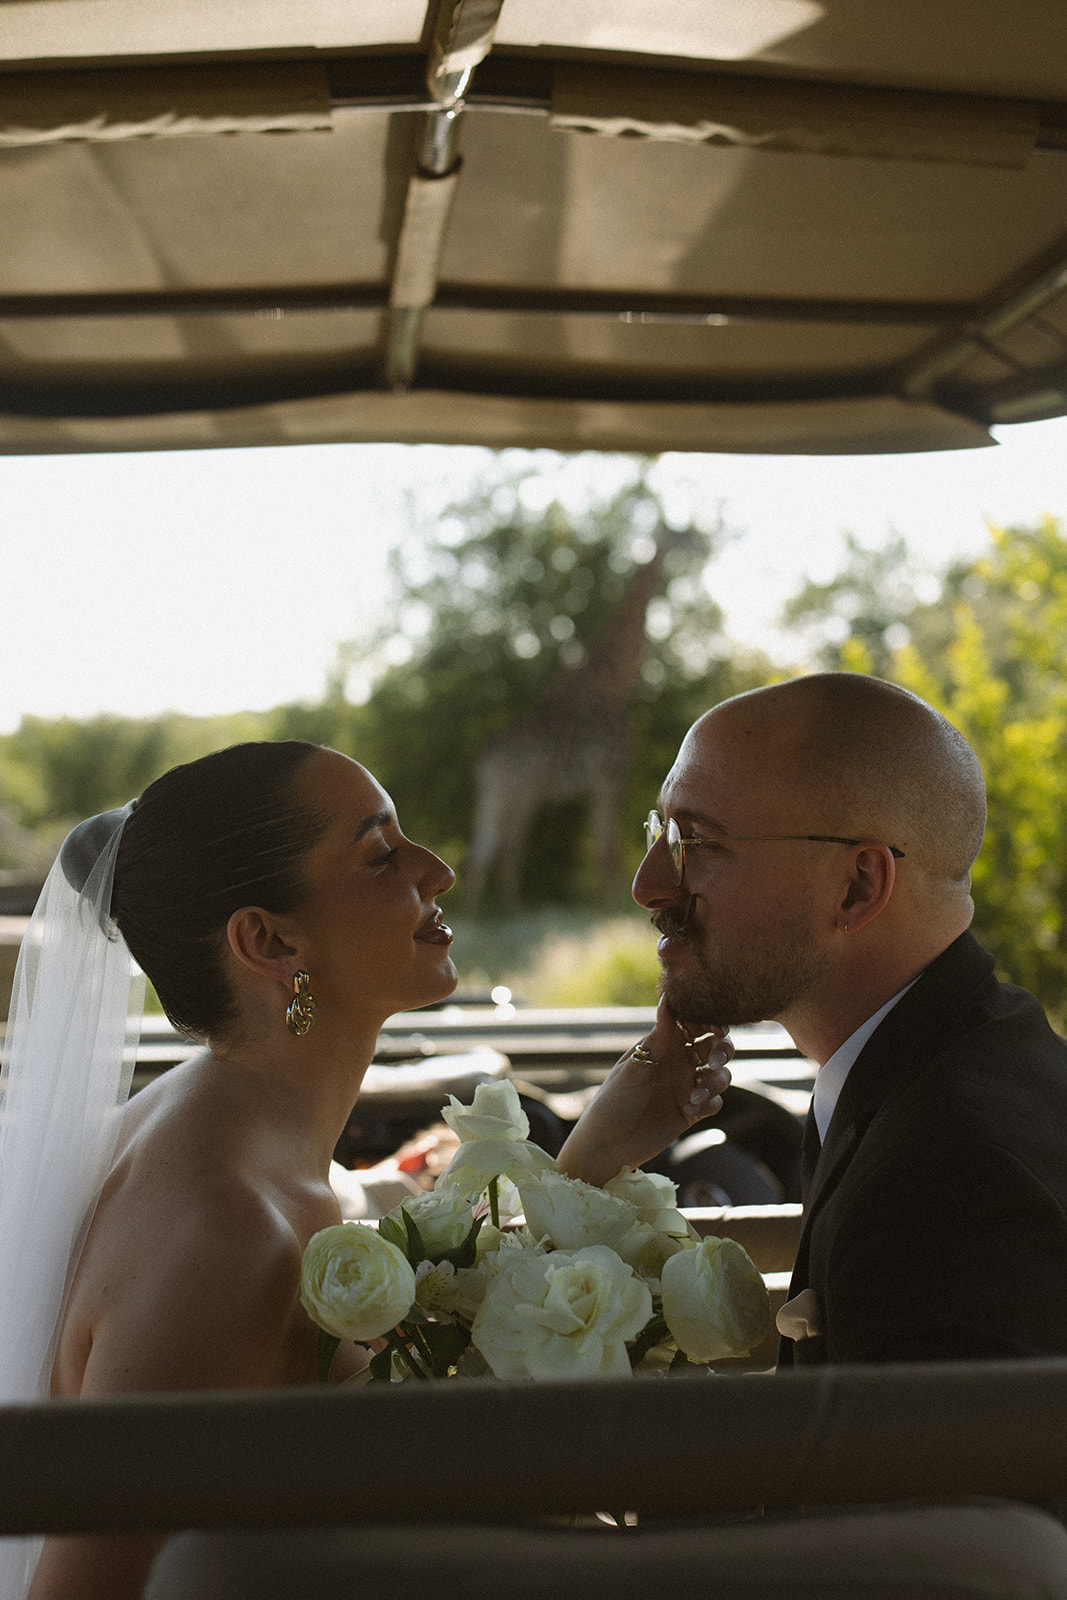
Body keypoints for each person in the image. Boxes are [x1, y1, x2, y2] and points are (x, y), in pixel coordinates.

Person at [0, 740, 730, 1600]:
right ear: (269, 941)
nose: (438, 872)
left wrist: (595, 1157)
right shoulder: (224, 1238)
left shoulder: (222, 1126)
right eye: (382, 855)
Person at [601, 670, 1067, 1369]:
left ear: (856, 887)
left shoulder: (949, 1182)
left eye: (694, 842)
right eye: (660, 830)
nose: (648, 884)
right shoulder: (960, 1063)